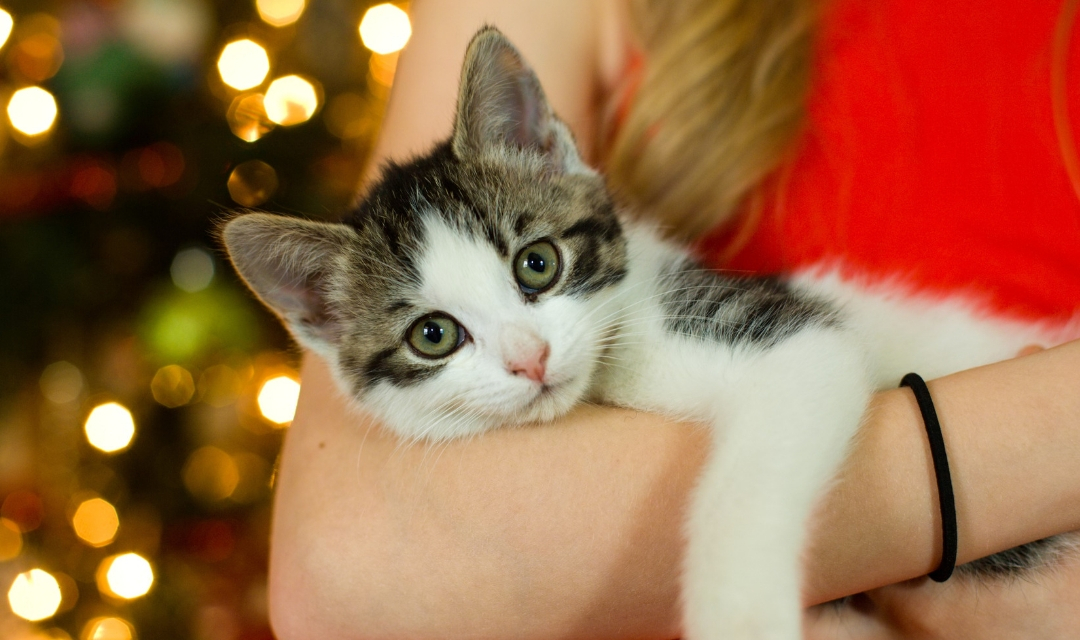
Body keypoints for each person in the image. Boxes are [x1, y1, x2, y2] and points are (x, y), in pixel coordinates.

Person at [266, 0, 1080, 638]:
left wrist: (738, 597)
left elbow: (804, 362)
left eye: (536, 268)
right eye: (436, 335)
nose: (526, 356)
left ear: (549, 154)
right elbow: (339, 572)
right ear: (323, 319)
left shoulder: (647, 321)